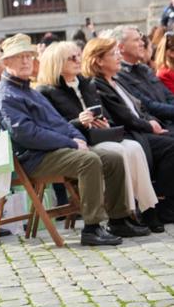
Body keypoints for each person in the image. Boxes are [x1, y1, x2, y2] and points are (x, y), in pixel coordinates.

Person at [0, 33, 128, 247]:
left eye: (28, 56)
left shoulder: (29, 90)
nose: (26, 61)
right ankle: (92, 228)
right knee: (89, 161)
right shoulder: (6, 95)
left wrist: (77, 138)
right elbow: (27, 135)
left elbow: (59, 122)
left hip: (55, 150)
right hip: (34, 158)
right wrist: (72, 144)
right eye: (19, 57)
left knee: (113, 157)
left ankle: (119, 220)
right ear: (6, 62)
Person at [36, 41, 156, 234]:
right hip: (79, 142)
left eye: (78, 55)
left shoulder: (86, 83)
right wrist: (79, 122)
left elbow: (102, 112)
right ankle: (124, 213)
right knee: (118, 152)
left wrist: (104, 122)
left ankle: (147, 207)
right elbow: (54, 126)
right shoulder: (46, 92)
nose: (78, 60)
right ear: (57, 62)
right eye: (72, 58)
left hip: (100, 134)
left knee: (134, 147)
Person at [81, 36, 174, 225]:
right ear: (98, 61)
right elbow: (124, 116)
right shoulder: (97, 85)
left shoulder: (116, 81)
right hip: (129, 133)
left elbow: (140, 109)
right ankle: (164, 204)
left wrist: (153, 122)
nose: (118, 57)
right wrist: (150, 126)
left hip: (143, 129)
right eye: (113, 54)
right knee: (170, 146)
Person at [110, 25, 174, 128]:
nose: (142, 43)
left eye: (141, 39)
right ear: (121, 47)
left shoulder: (144, 68)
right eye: (136, 40)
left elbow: (168, 95)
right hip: (158, 126)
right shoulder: (119, 75)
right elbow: (148, 106)